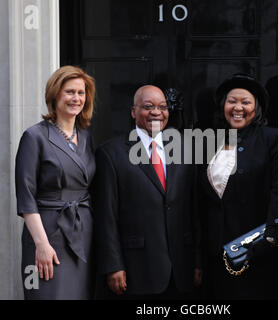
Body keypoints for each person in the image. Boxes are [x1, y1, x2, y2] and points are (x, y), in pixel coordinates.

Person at [93, 85, 201, 299]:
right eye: (148, 106)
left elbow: (195, 210)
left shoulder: (185, 148)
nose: (156, 112)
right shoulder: (111, 153)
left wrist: (198, 261)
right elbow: (107, 216)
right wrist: (113, 265)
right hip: (137, 269)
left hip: (181, 268)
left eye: (162, 107)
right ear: (134, 112)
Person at [198, 73, 278, 299]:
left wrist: (271, 235)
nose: (238, 108)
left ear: (257, 107)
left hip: (257, 249)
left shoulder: (273, 139)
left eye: (245, 102)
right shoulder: (207, 140)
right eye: (232, 101)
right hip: (215, 250)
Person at [15, 65, 96, 299]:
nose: (76, 98)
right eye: (69, 92)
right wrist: (41, 244)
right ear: (55, 95)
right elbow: (26, 196)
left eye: (81, 93)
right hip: (48, 234)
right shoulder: (34, 137)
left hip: (83, 233)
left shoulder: (87, 138)